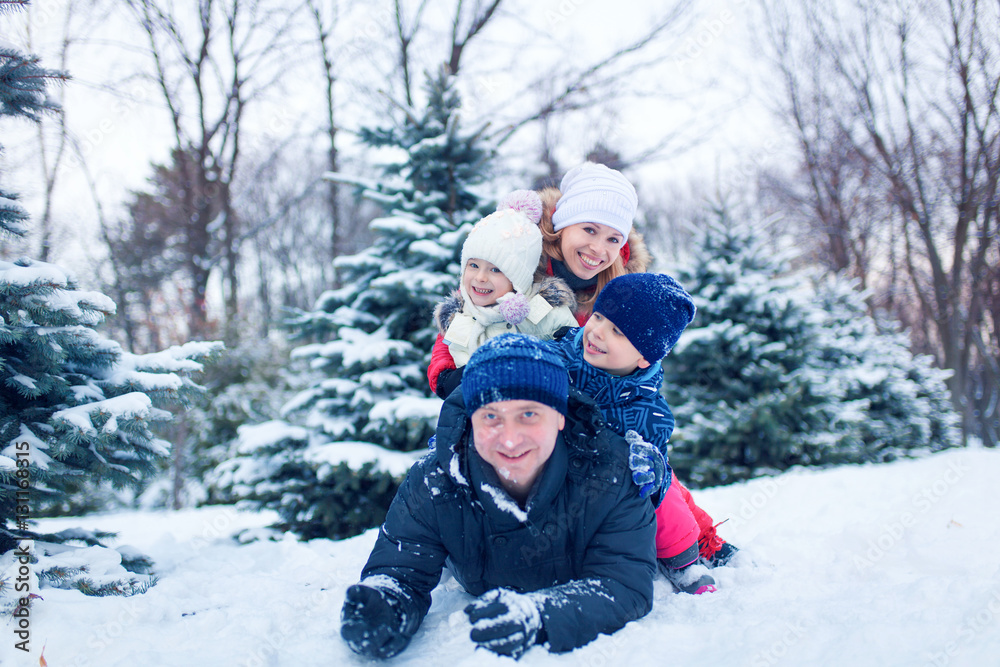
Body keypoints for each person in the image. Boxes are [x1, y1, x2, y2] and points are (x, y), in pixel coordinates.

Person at [341, 334, 656, 660]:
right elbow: (400, 571)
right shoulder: (436, 481)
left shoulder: (611, 473)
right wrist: (383, 605)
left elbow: (624, 583)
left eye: (529, 415)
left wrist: (540, 615)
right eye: (491, 416)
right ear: (471, 420)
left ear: (560, 416)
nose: (509, 439)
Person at [547, 272, 739, 594]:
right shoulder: (558, 355)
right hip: (559, 471)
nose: (596, 332)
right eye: (598, 316)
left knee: (661, 487)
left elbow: (659, 484)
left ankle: (684, 557)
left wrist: (653, 469)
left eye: (617, 331)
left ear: (643, 356)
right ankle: (701, 539)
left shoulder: (648, 412)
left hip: (610, 486)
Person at [429, 190, 577, 381]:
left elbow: (576, 360)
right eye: (473, 265)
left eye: (495, 270)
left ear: (518, 280)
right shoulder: (459, 317)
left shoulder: (544, 310)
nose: (480, 277)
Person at [536, 162, 653, 324]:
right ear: (562, 225)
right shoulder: (515, 264)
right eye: (590, 230)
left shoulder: (622, 299)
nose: (598, 249)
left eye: (613, 239)